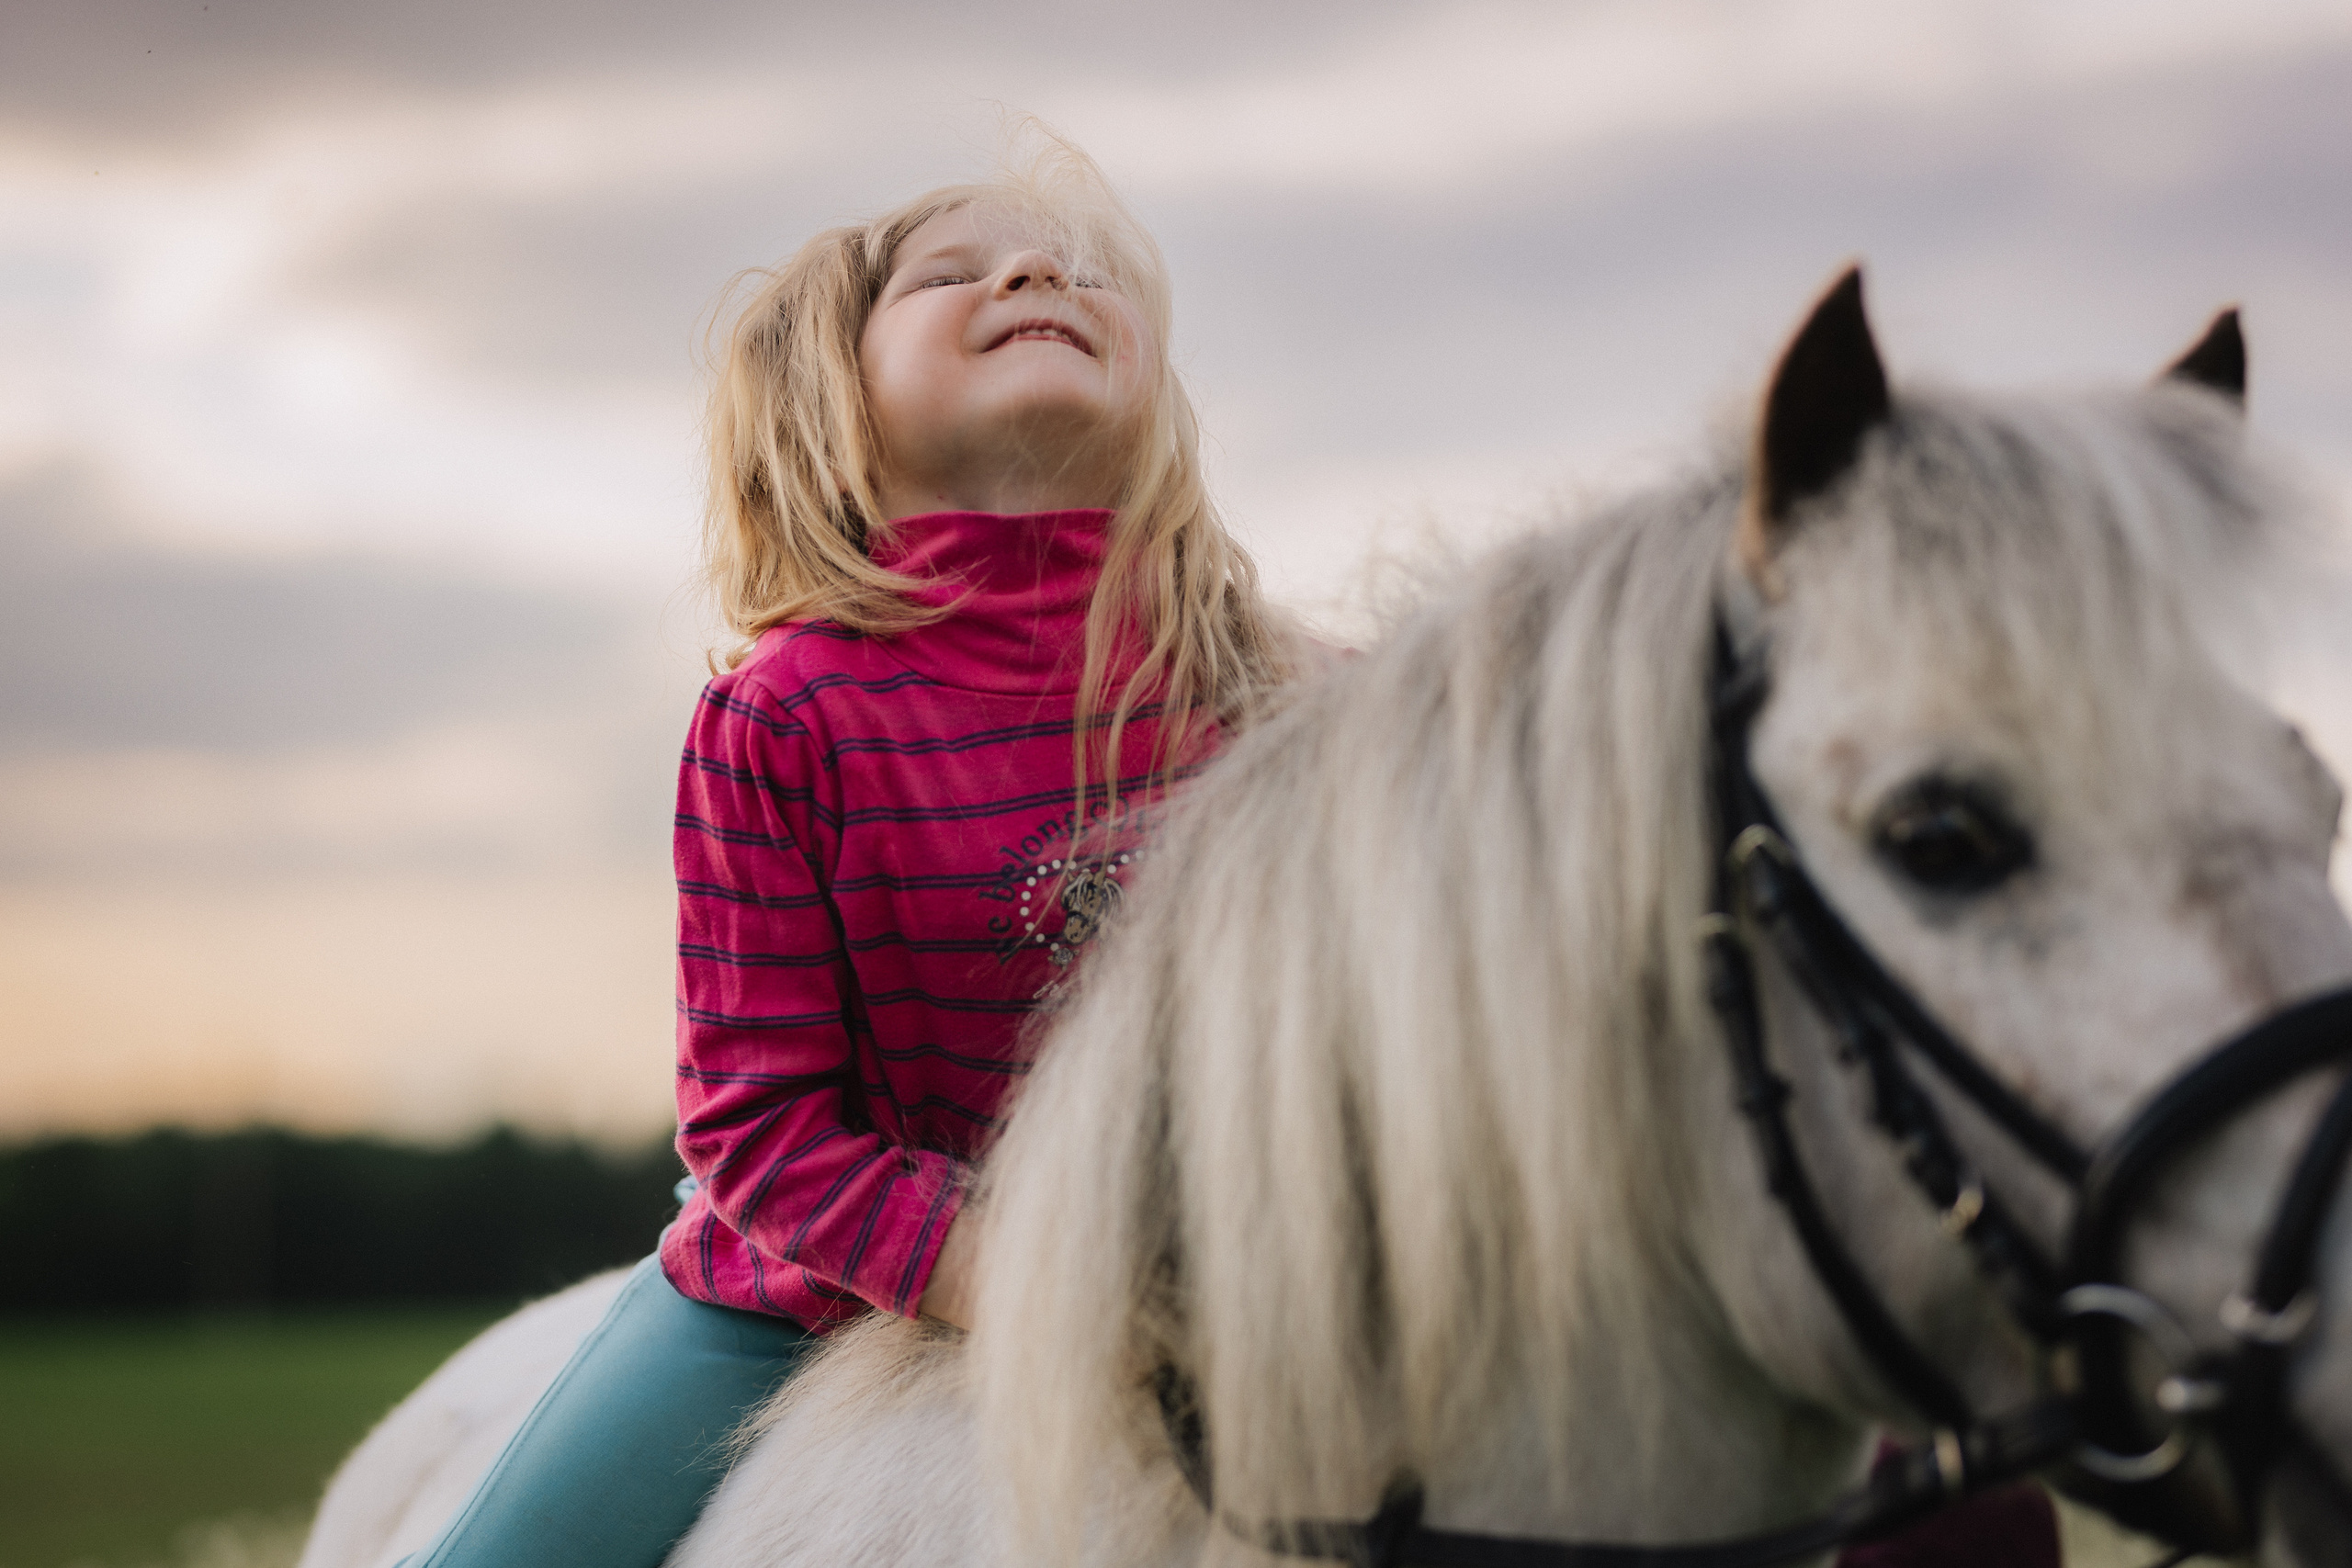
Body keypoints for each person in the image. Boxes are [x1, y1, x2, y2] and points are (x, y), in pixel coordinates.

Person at [394, 137, 1296, 1568]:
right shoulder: (781, 717)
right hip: (797, 1298)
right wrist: (1045, 1275)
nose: (1038, 273)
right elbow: (761, 1134)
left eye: (1082, 274)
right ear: (836, 394)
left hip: (1233, 1283)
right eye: (954, 273)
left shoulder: (1275, 701)